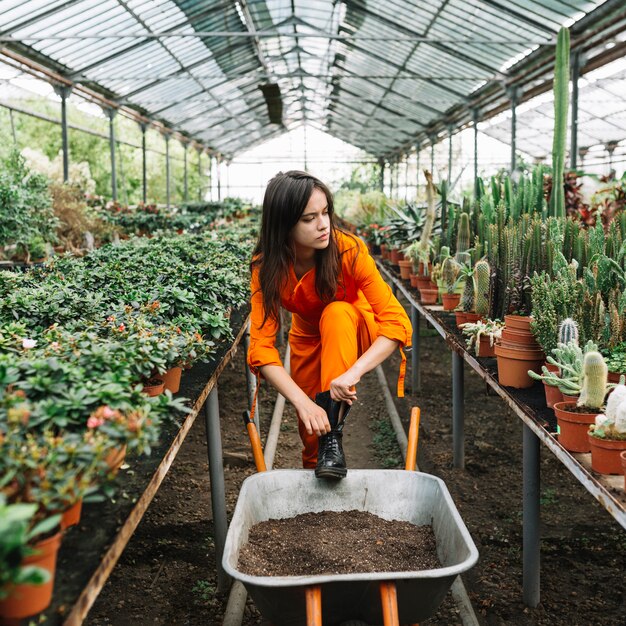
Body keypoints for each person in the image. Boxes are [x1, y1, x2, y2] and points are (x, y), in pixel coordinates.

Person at [248, 170, 412, 479]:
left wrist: (352, 373)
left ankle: (333, 436)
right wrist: (301, 402)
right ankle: (318, 491)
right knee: (311, 431)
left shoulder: (348, 249)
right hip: (306, 335)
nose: (323, 224)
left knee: (336, 312)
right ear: (284, 225)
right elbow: (261, 348)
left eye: (325, 213)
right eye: (309, 219)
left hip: (353, 325)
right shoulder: (266, 266)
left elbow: (396, 322)